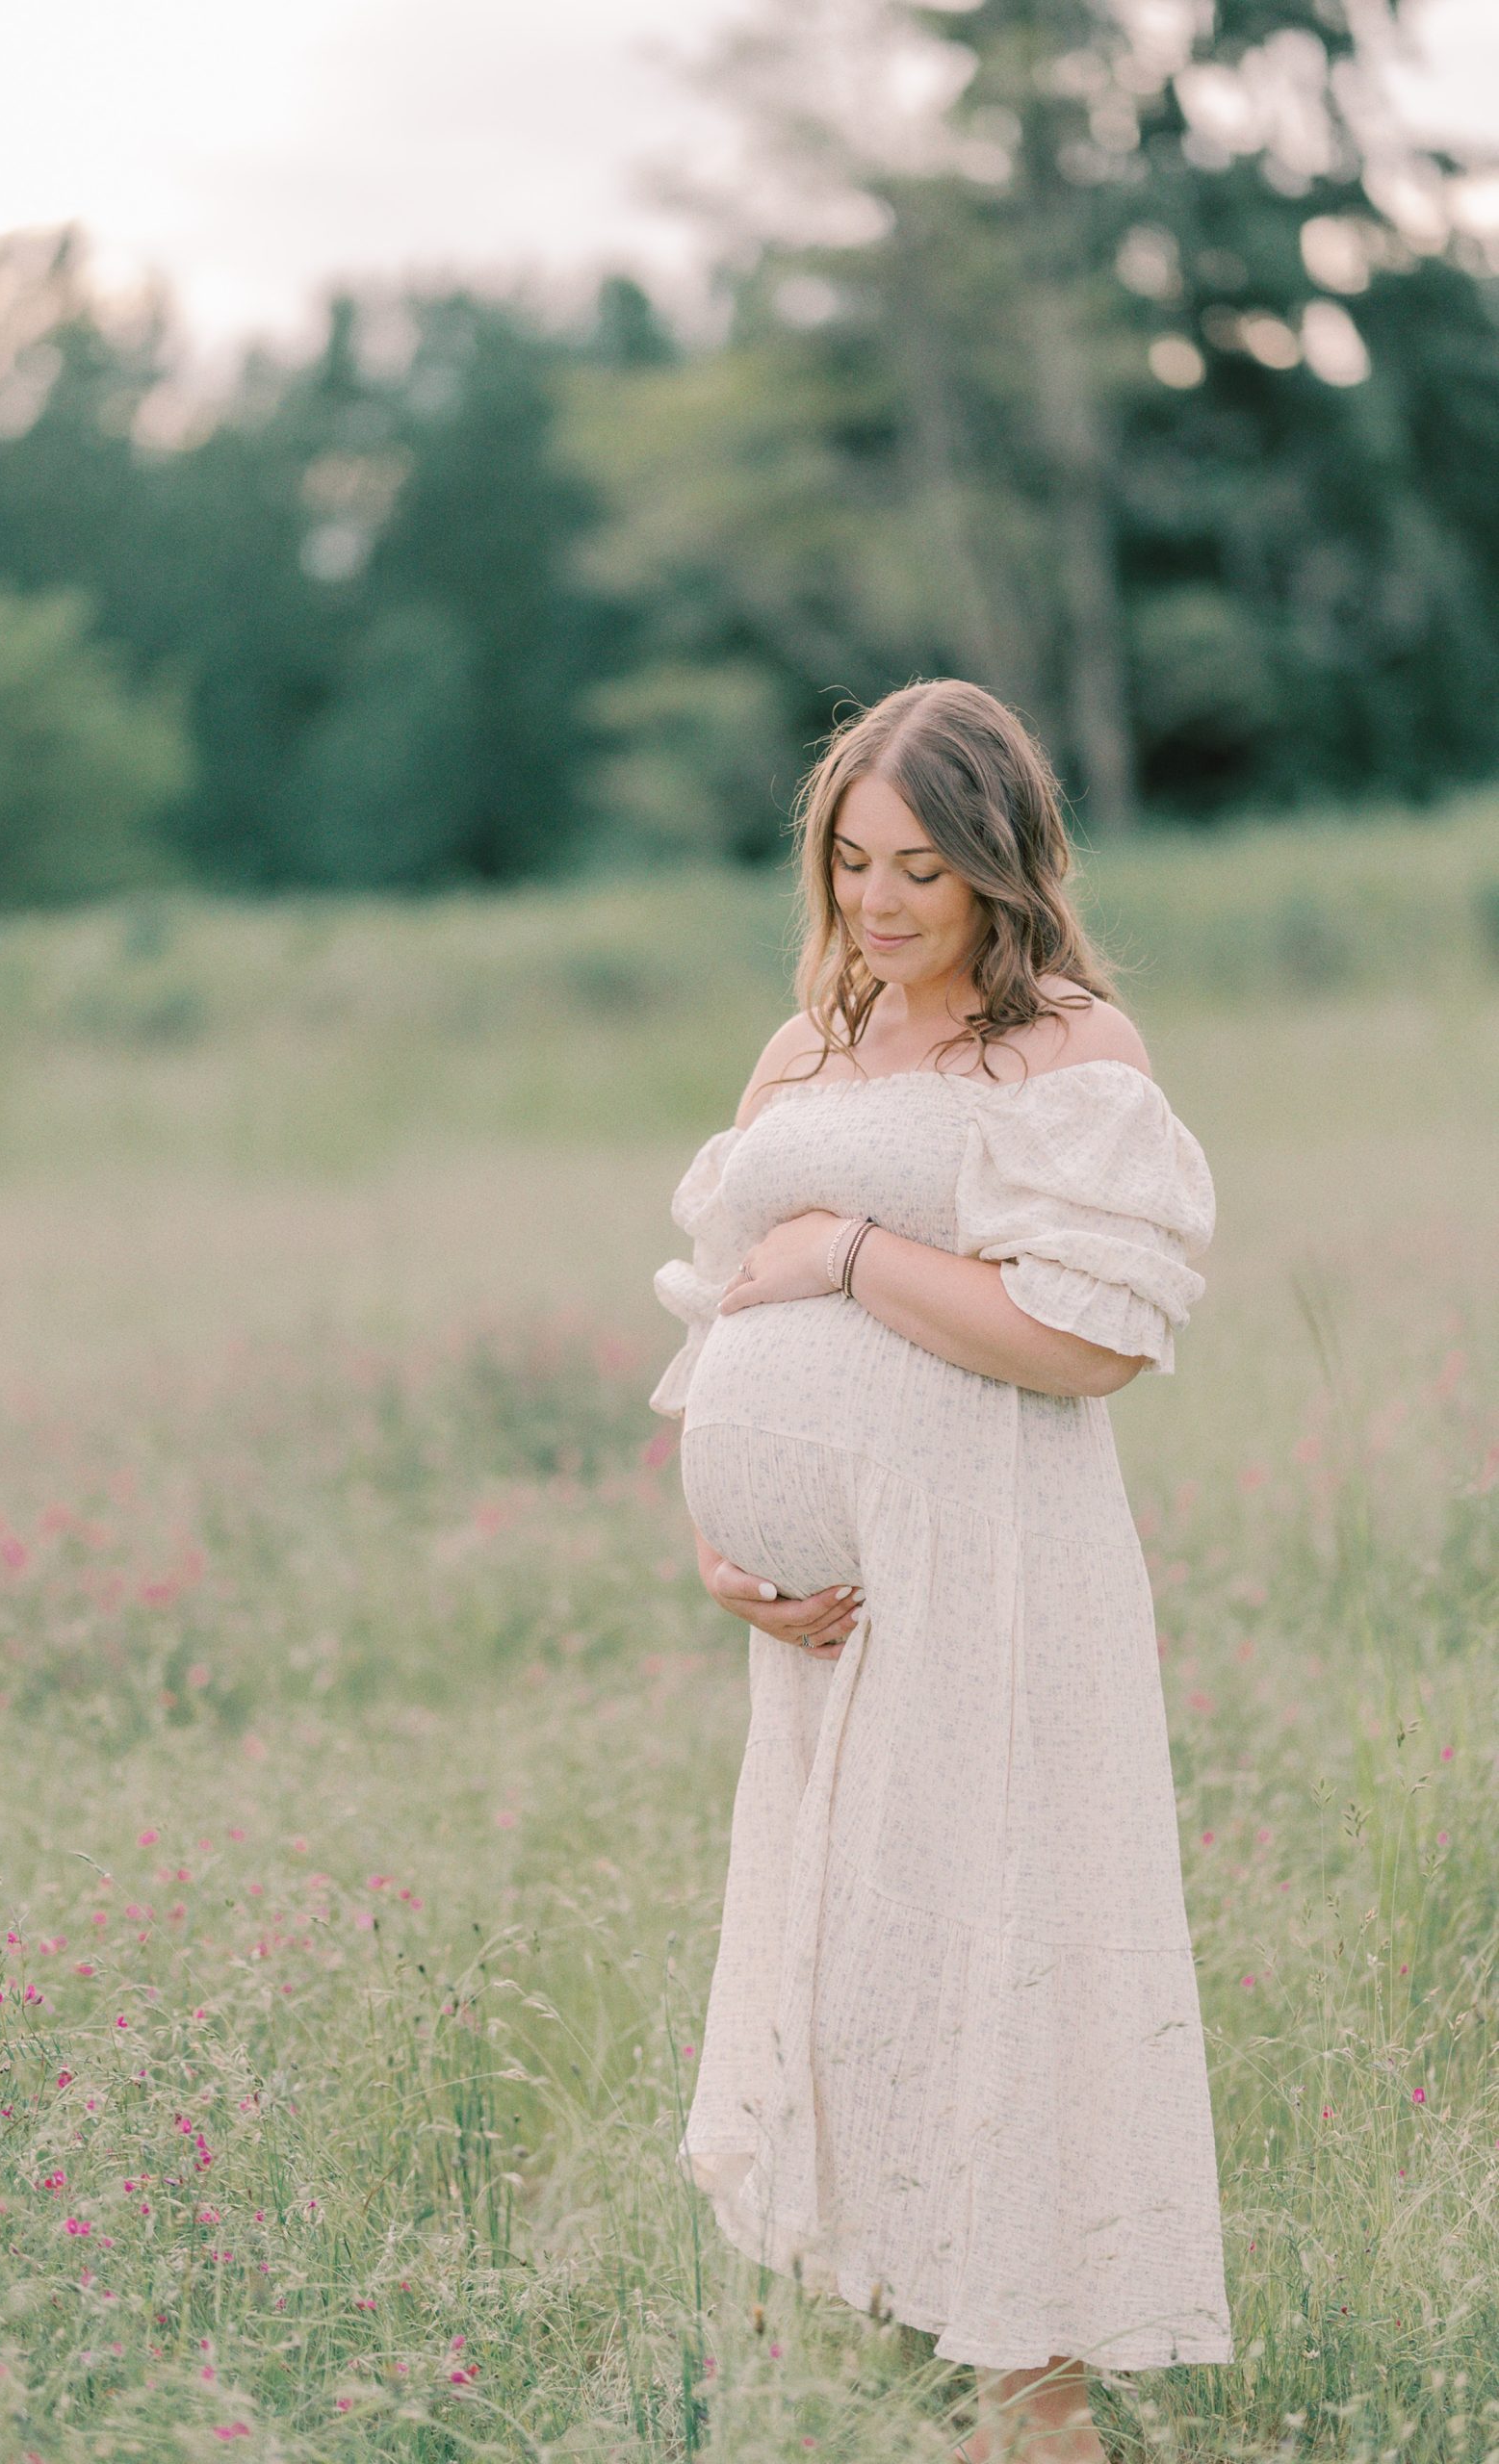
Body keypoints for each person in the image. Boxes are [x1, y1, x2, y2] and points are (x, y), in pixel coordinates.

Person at [649, 679, 1233, 2461]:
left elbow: (1084, 1342)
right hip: (824, 1627)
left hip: (993, 1571)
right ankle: (941, 2351)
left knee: (1007, 1941)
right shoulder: (801, 1047)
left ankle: (1035, 2401)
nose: (881, 901)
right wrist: (720, 1542)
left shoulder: (1072, 1051)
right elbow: (709, 1320)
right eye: (851, 859)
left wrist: (846, 1250)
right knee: (858, 1958)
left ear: (999, 866)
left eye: (921, 865)